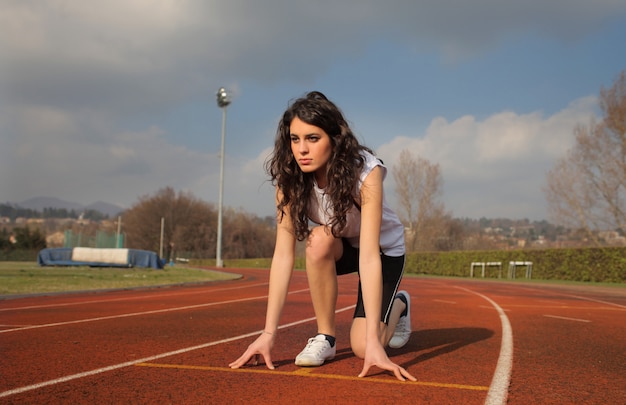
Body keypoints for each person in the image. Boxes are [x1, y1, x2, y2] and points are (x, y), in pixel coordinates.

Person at [229, 91, 415, 382]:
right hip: (340, 244)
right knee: (317, 241)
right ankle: (325, 338)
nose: (302, 149)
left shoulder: (366, 172)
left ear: (334, 139)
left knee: (364, 347)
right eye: (295, 139)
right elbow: (283, 255)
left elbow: (368, 256)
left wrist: (376, 345)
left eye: (313, 138)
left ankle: (399, 305)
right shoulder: (290, 180)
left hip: (380, 250)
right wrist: (268, 334)